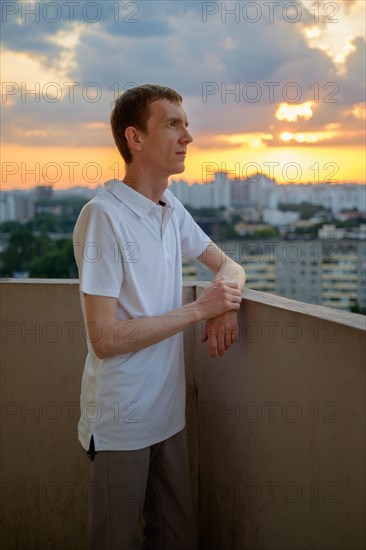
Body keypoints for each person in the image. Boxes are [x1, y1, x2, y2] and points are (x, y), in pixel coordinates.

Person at [73, 84, 245, 550]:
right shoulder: (102, 216)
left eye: (186, 124)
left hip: (168, 415)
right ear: (135, 138)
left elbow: (230, 265)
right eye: (173, 124)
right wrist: (200, 309)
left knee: (177, 537)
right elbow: (104, 338)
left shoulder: (170, 208)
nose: (188, 135)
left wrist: (226, 302)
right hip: (121, 420)